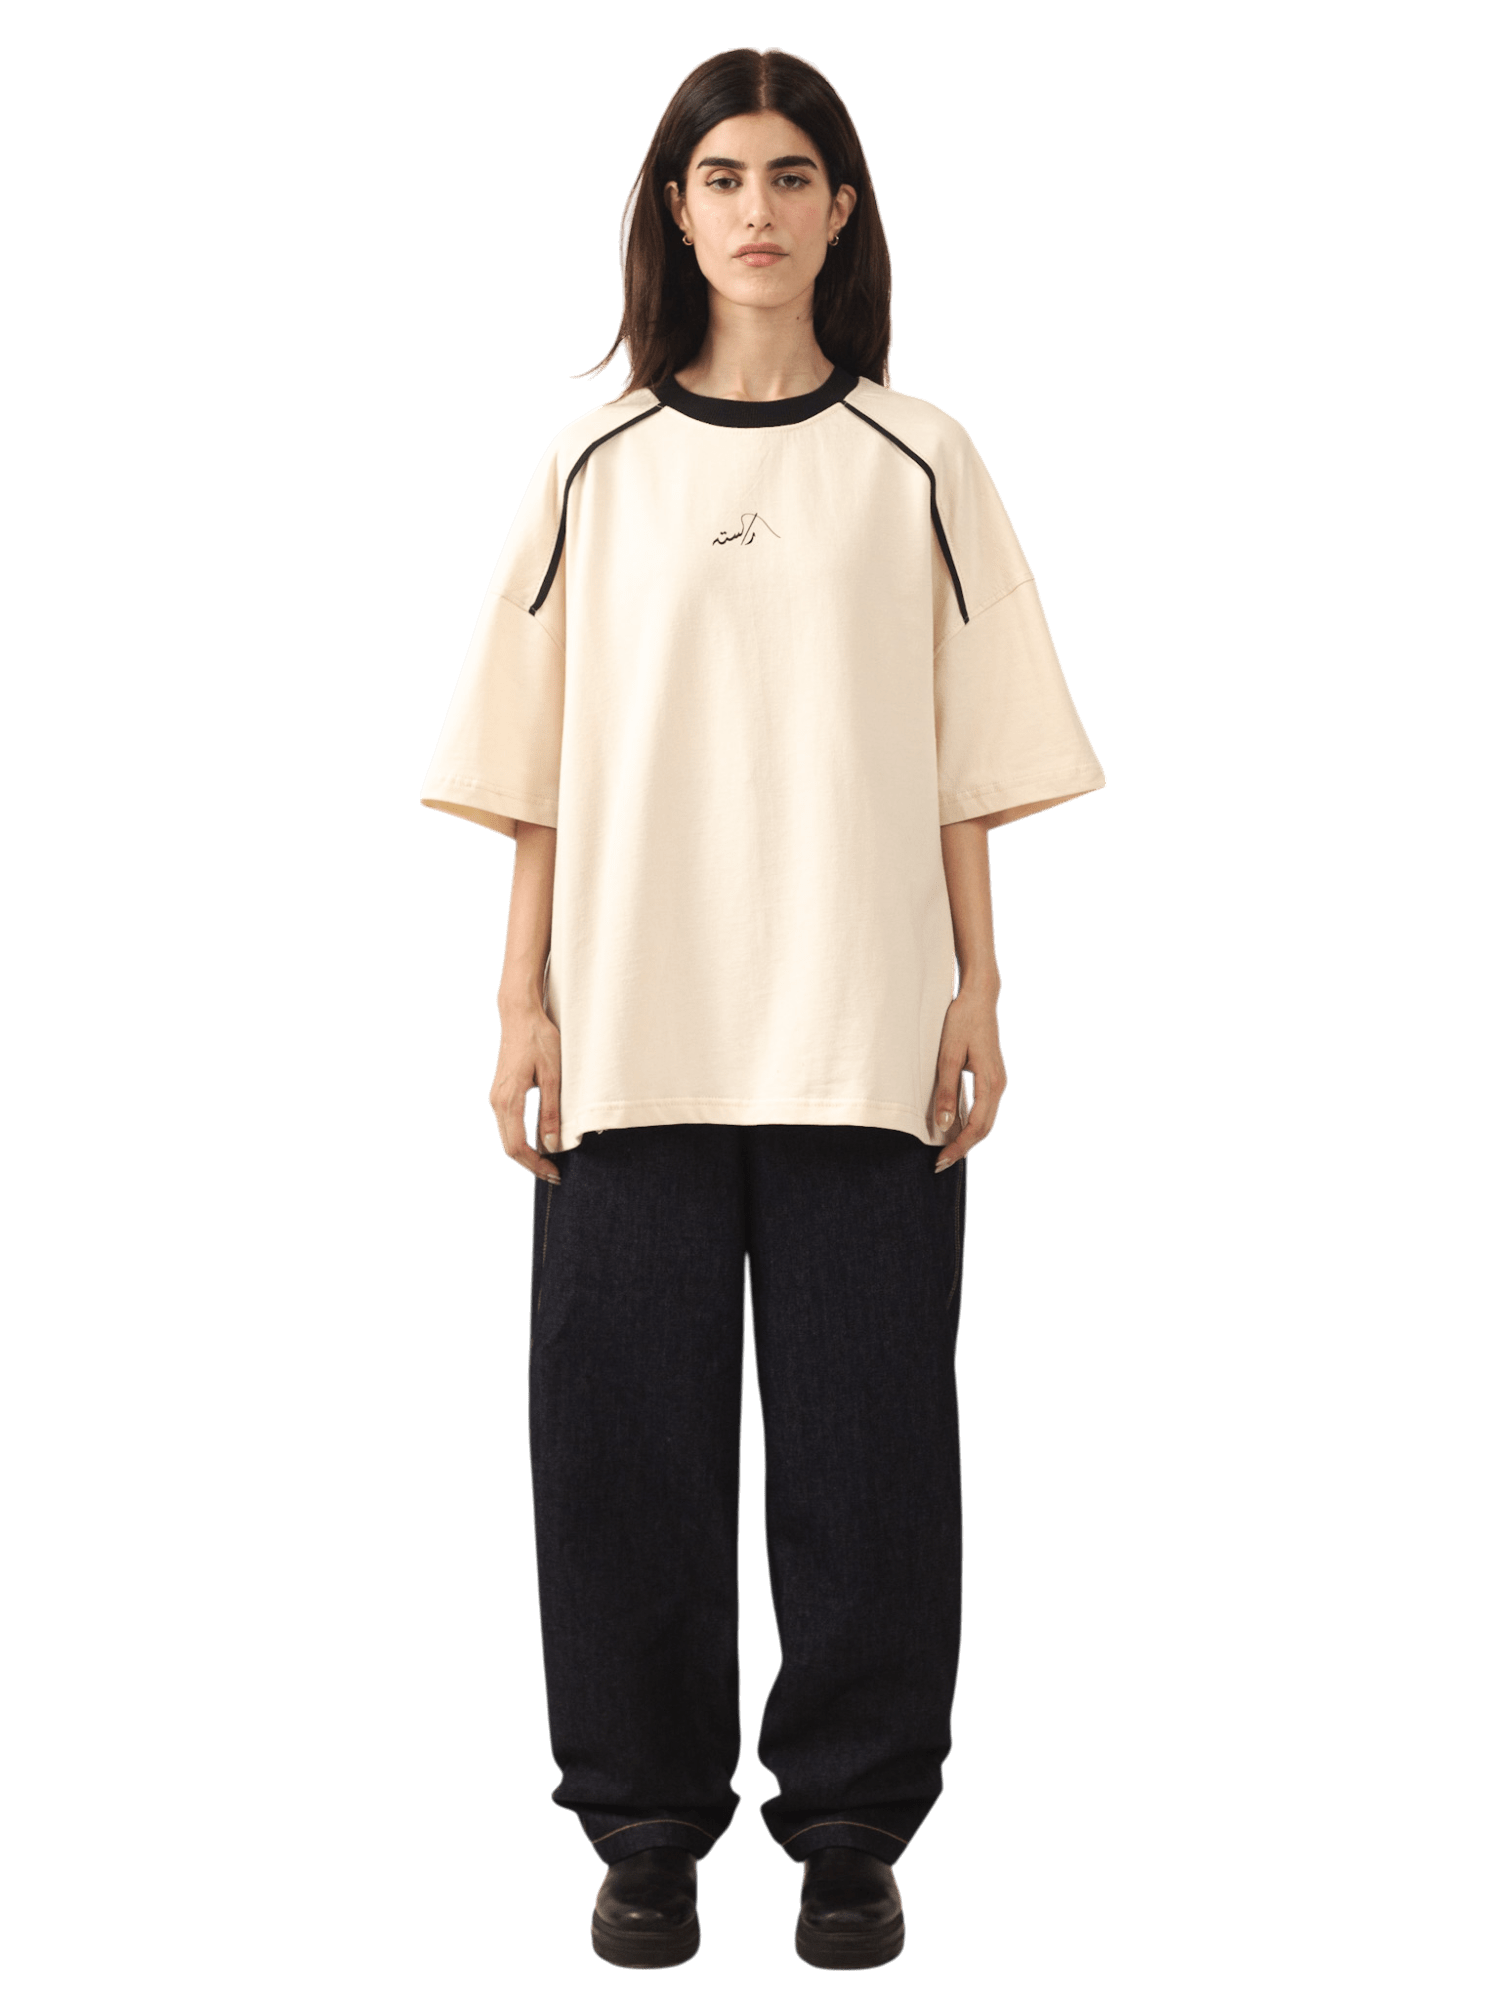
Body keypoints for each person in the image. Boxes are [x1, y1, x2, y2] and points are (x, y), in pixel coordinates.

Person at [419, 44, 1107, 1973]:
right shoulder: (592, 467)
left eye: (792, 175)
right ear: (674, 210)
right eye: (721, 175)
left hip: (863, 1026)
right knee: (614, 1447)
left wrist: (979, 979)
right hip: (629, 1027)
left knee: (872, 1450)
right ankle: (643, 1829)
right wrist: (518, 1000)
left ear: (842, 212)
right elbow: (533, 762)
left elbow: (971, 750)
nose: (757, 209)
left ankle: (855, 1830)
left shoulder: (925, 458)